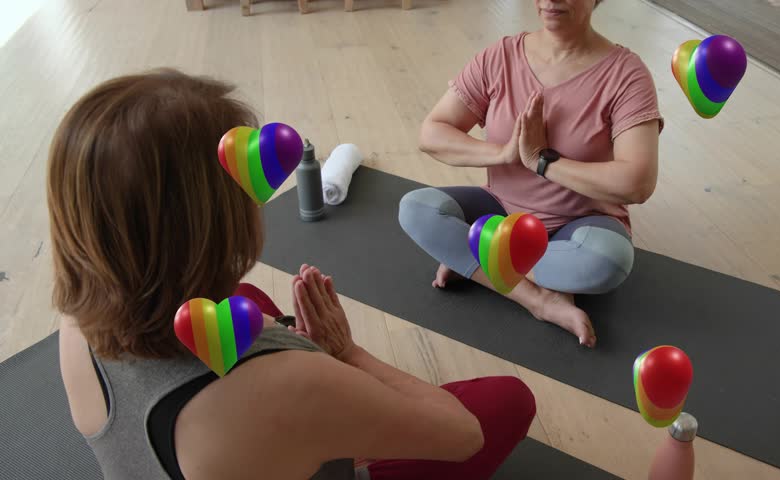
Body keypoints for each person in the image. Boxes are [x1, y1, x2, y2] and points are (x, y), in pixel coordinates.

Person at [51, 69, 536, 480]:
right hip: (253, 413)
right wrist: (346, 354)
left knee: (247, 299)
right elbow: (462, 436)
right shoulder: (289, 384)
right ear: (220, 221)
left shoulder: (75, 320)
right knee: (506, 400)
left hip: (185, 446)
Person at [399, 0, 663, 348]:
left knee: (608, 260)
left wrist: (543, 161)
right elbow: (432, 133)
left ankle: (481, 264)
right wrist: (503, 153)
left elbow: (637, 183)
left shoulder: (627, 74)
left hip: (579, 225)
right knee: (416, 209)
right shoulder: (500, 57)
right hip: (501, 211)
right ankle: (536, 297)